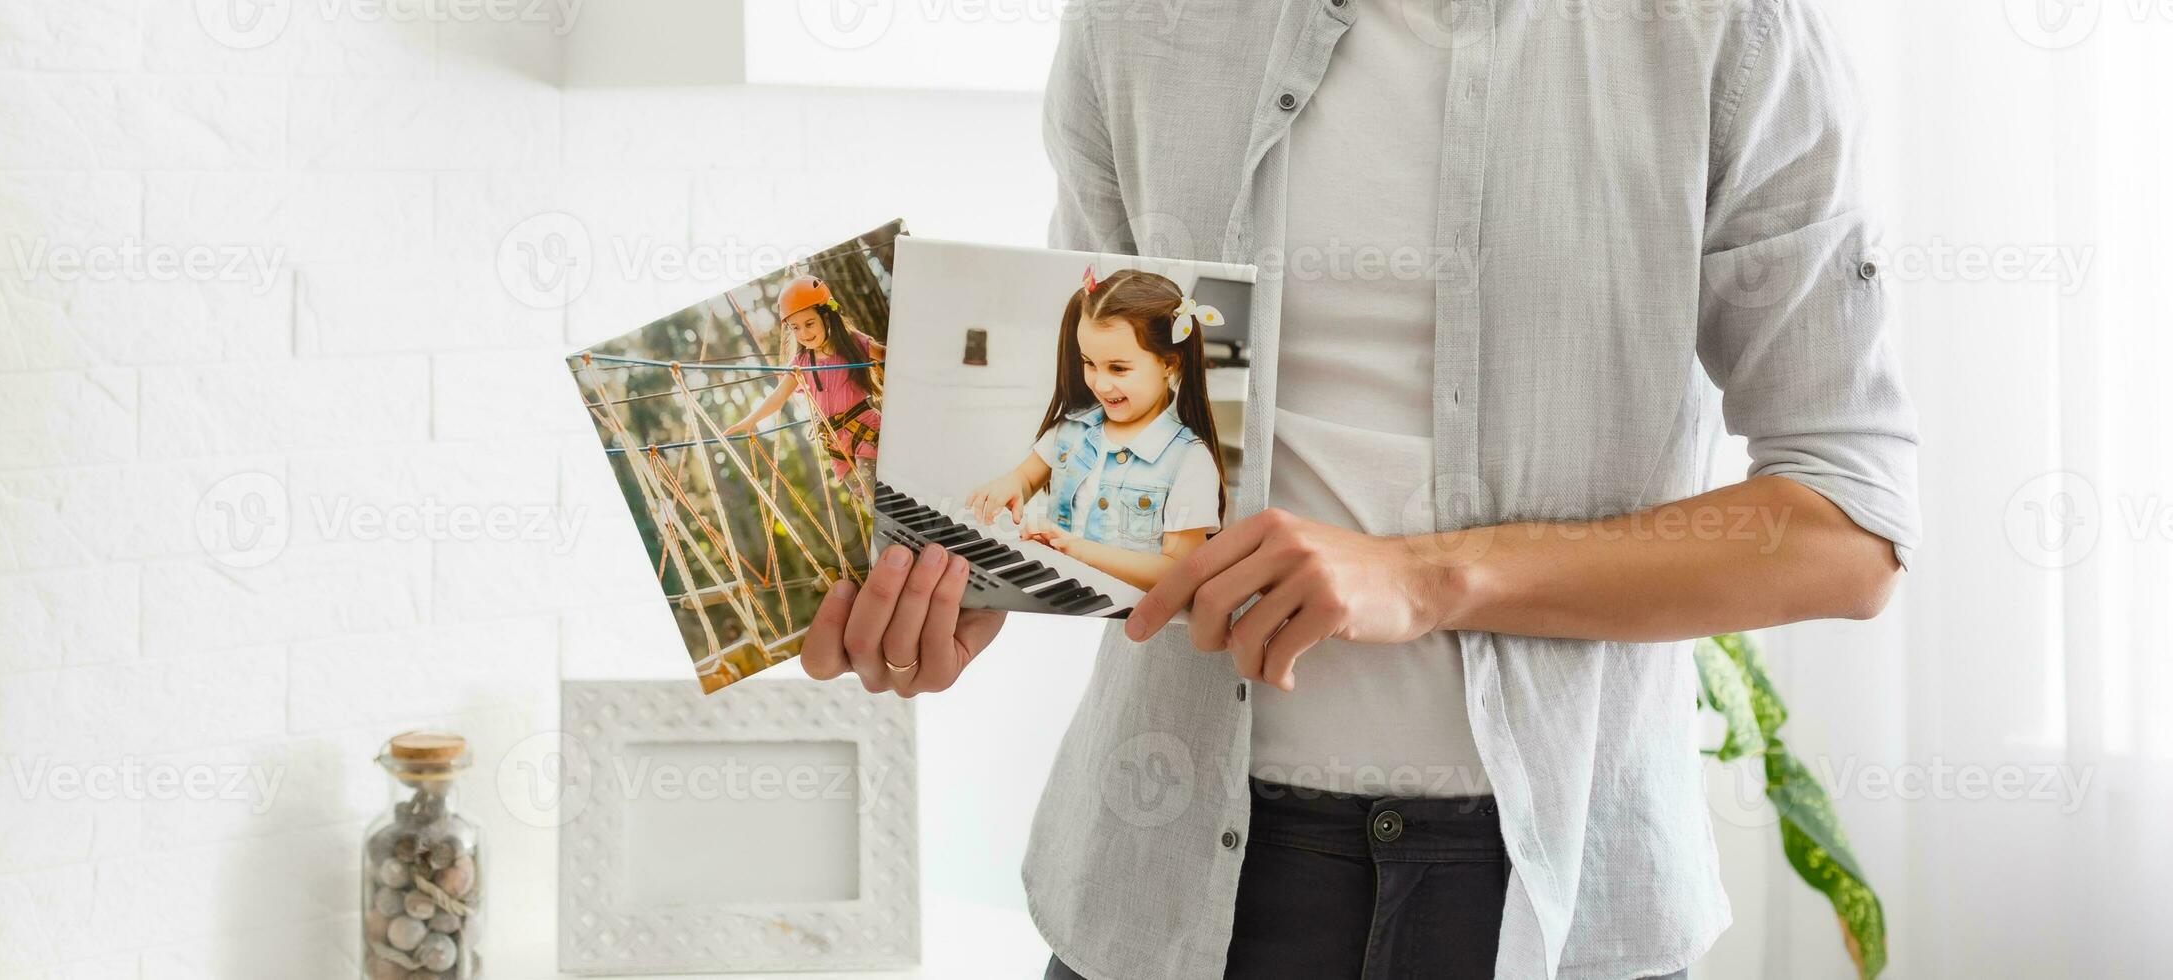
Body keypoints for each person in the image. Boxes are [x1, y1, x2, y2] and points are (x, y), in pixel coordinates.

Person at [799, 0, 1916, 977]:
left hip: (1550, 895)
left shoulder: (1725, 29)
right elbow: (1095, 413)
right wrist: (971, 585)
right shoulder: (1131, 19)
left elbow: (1844, 524)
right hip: (1168, 887)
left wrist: (1423, 577)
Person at [964, 267, 1227, 591]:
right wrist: (1009, 485)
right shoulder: (1072, 428)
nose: (1100, 384)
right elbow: (1026, 477)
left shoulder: (1189, 461)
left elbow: (1180, 572)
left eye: (1118, 368)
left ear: (1169, 363)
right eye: (1090, 363)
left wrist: (1075, 549)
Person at [726, 275, 886, 500]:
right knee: (868, 500)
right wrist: (750, 420)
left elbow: (888, 355)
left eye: (809, 324)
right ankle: (900, 532)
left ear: (827, 316)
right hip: (838, 447)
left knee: (877, 499)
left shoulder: (852, 343)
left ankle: (905, 527)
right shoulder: (801, 364)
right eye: (795, 328)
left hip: (866, 432)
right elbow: (778, 396)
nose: (804, 334)